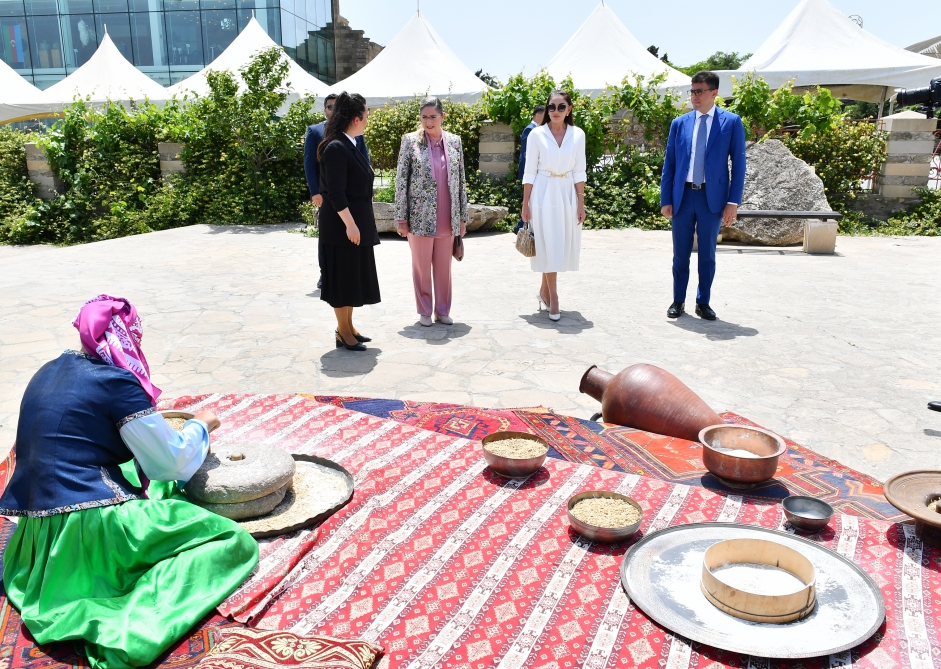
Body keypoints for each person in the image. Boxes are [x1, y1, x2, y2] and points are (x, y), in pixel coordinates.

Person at [0, 295, 257, 669]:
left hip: (37, 537)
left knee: (145, 480)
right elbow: (169, 463)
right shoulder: (116, 382)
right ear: (127, 336)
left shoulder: (48, 370)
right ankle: (132, 623)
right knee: (230, 541)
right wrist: (201, 426)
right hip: (91, 528)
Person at [660, 70, 746, 321]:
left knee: (707, 255)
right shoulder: (679, 123)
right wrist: (666, 199)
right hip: (683, 197)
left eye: (699, 91)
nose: (694, 96)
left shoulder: (731, 122)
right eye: (692, 91)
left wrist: (732, 202)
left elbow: (739, 164)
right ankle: (678, 300)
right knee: (680, 254)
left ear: (714, 92)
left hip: (713, 198)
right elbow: (669, 164)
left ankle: (703, 301)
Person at [394, 96, 469, 327]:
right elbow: (401, 181)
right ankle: (425, 310)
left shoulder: (455, 142)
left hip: (448, 217)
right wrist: (401, 217)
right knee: (421, 267)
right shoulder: (410, 141)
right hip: (419, 217)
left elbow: (461, 181)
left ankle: (443, 310)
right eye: (424, 117)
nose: (428, 122)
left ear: (442, 116)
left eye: (433, 117)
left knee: (444, 269)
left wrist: (463, 218)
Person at [318, 92, 380, 351]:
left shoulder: (350, 144)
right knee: (342, 280)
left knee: (352, 277)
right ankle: (342, 331)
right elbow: (336, 192)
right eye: (366, 115)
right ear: (356, 118)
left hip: (354, 224)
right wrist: (350, 224)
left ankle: (348, 326)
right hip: (341, 227)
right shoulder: (336, 147)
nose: (367, 119)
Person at [521, 90, 587, 322]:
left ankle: (544, 291)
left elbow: (580, 171)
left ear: (569, 109)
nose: (555, 111)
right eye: (551, 107)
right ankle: (554, 297)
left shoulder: (578, 135)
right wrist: (525, 203)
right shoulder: (536, 135)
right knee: (547, 243)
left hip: (567, 192)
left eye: (561, 107)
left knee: (559, 243)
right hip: (542, 191)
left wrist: (581, 202)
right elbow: (529, 171)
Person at [304, 93, 371, 289]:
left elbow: (363, 161)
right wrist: (315, 191)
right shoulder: (321, 135)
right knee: (333, 243)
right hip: (332, 197)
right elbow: (310, 164)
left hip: (350, 203)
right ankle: (325, 273)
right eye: (330, 107)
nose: (334, 110)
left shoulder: (355, 137)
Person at [515, 104, 546, 233]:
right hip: (530, 171)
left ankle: (521, 226)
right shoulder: (530, 129)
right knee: (530, 200)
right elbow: (526, 153)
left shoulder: (537, 129)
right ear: (538, 115)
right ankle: (520, 227)